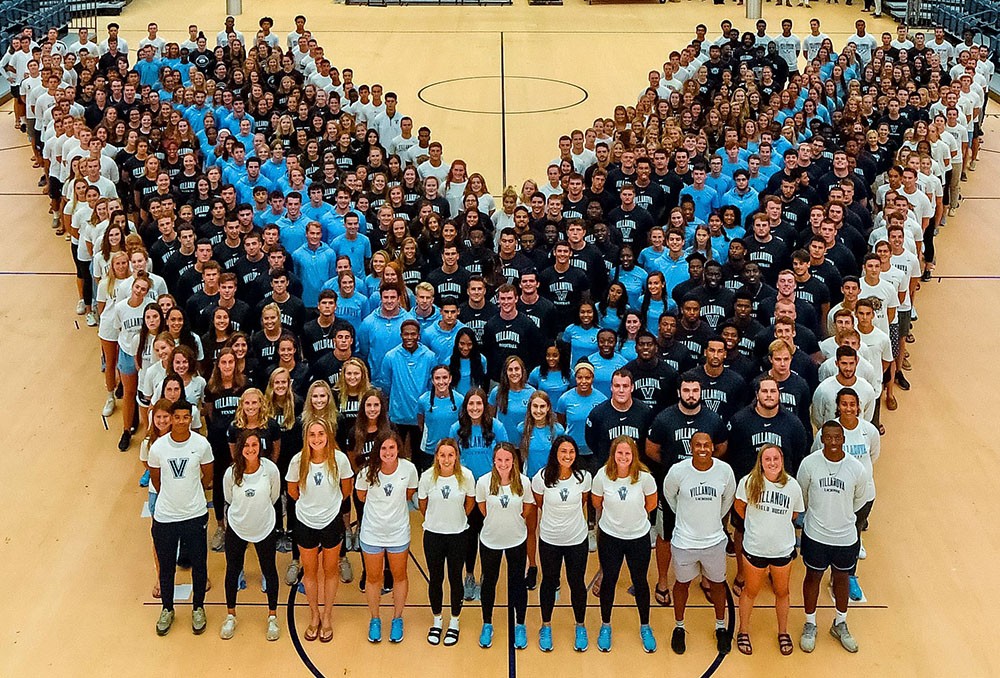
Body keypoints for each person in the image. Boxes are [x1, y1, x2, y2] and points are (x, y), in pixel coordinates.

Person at [797, 420, 871, 654]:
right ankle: (810, 623)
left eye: (837, 437)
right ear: (822, 440)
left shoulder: (856, 469)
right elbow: (803, 495)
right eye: (828, 437)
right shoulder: (809, 464)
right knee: (812, 577)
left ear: (843, 439)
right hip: (816, 535)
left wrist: (842, 515)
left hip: (845, 537)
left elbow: (859, 500)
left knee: (841, 579)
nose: (833, 442)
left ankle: (840, 623)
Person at [664, 431, 736, 655]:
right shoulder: (678, 471)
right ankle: (679, 627)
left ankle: (720, 626)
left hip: (714, 541)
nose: (702, 449)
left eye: (706, 445)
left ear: (713, 447)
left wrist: (713, 521)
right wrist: (686, 518)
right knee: (682, 584)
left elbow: (728, 500)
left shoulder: (725, 471)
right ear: (691, 447)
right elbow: (670, 497)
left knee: (717, 584)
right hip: (684, 542)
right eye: (698, 445)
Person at [147, 400, 214, 636]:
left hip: (195, 514)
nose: (182, 421)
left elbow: (208, 475)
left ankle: (198, 608)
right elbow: (157, 480)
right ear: (171, 418)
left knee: (199, 564)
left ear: (191, 419)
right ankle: (167, 608)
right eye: (177, 417)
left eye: (186, 417)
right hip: (166, 516)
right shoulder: (158, 448)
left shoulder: (201, 444)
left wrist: (191, 495)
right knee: (166, 567)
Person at [286, 419, 355, 643]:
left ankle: (327, 615)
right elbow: (292, 491)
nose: (316, 438)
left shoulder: (339, 459)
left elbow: (346, 489)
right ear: (306, 437)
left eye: (321, 433)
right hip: (305, 522)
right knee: (310, 572)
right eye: (312, 434)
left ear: (328, 436)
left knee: (330, 570)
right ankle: (314, 614)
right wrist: (310, 507)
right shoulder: (298, 461)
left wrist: (328, 507)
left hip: (331, 522)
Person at [733, 444, 804, 656]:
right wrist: (755, 525)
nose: (772, 463)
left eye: (776, 458)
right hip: (755, 548)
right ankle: (743, 631)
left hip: (782, 550)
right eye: (767, 459)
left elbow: (794, 514)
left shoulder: (792, 486)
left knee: (782, 592)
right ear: (761, 462)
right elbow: (739, 506)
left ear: (782, 460)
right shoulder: (749, 482)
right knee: (750, 591)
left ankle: (783, 632)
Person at [590, 436, 658, 653]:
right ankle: (606, 625)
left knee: (640, 582)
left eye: (627, 453)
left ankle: (645, 626)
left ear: (633, 455)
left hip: (638, 538)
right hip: (610, 537)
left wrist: (632, 520)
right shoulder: (602, 475)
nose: (623, 456)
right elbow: (596, 502)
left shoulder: (645, 478)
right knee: (609, 581)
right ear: (613, 454)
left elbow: (651, 504)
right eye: (619, 452)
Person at [812, 388, 880, 603]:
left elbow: (873, 456)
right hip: (833, 494)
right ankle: (825, 571)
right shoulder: (827, 431)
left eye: (852, 404)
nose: (848, 408)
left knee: (854, 534)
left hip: (862, 494)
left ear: (858, 407)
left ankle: (848, 576)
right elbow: (815, 458)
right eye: (844, 404)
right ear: (838, 406)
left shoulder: (869, 431)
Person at [355, 431, 419, 643]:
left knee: (399, 576)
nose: (388, 452)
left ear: (398, 448)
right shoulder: (366, 472)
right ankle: (375, 619)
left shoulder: (408, 469)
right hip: (372, 533)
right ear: (378, 450)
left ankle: (397, 618)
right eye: (384, 448)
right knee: (373, 578)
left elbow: (409, 493)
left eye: (392, 447)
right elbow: (361, 496)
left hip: (398, 533)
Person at [531, 435, 592, 652]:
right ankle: (546, 626)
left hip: (576, 539)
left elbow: (583, 501)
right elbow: (540, 504)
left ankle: (580, 625)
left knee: (577, 583)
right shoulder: (540, 478)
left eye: (571, 451)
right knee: (549, 582)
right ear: (555, 453)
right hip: (550, 540)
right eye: (563, 451)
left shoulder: (584, 477)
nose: (567, 456)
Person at [220, 430, 282, 641]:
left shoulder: (270, 469)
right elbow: (229, 498)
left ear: (260, 447)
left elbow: (274, 496)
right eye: (246, 445)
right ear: (240, 448)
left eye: (254, 445)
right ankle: (231, 615)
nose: (250, 449)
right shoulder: (231, 473)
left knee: (269, 570)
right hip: (237, 527)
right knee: (232, 570)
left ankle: (272, 617)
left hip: (264, 527)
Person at [476, 442, 535, 650]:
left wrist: (512, 521)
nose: (503, 464)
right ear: (494, 460)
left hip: (516, 540)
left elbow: (527, 508)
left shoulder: (524, 482)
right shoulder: (483, 482)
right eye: (499, 460)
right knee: (489, 582)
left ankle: (520, 624)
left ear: (514, 461)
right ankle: (487, 623)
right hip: (490, 540)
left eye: (507, 460)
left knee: (518, 583)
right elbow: (482, 508)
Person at [417, 438, 476, 646]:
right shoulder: (427, 477)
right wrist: (436, 520)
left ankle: (454, 621)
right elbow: (423, 505)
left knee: (455, 578)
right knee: (436, 578)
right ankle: (437, 620)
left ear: (457, 456)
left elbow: (470, 503)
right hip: (433, 535)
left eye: (450, 455)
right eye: (442, 455)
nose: (446, 459)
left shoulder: (466, 476)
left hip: (458, 535)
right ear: (436, 457)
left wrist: (457, 519)